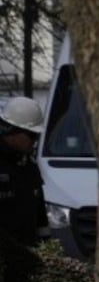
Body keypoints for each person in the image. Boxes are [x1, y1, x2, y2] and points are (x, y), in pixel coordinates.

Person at [0, 96, 49, 247]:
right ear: (13, 131)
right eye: (32, 135)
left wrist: (47, 248)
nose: (35, 141)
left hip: (28, 258)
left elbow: (40, 217)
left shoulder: (29, 166)